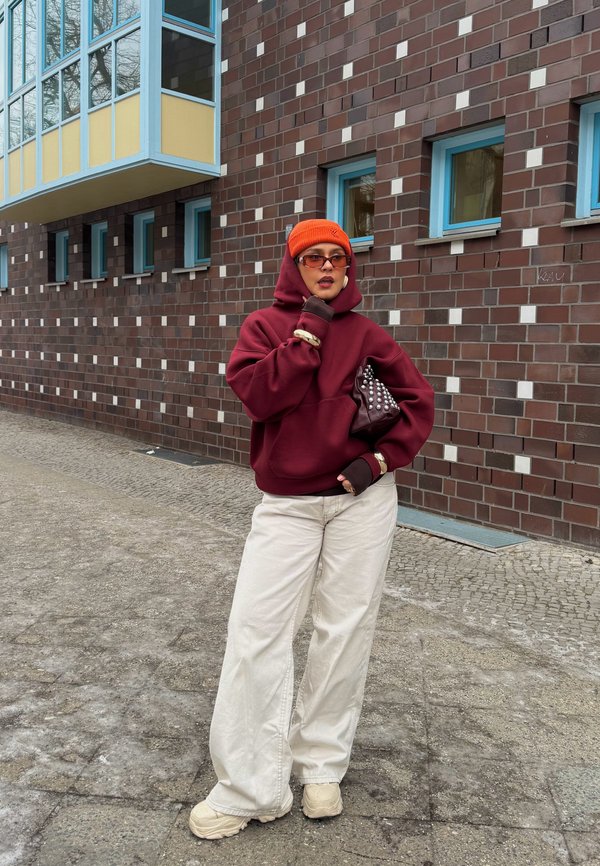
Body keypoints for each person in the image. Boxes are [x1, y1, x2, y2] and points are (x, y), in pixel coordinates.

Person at [189, 219, 434, 840]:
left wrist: (376, 462)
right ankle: (248, 786)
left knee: (345, 629)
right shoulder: (264, 329)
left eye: (338, 259)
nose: (327, 268)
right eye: (313, 258)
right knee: (255, 632)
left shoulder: (370, 335)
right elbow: (259, 397)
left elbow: (417, 404)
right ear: (292, 266)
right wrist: (309, 334)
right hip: (287, 504)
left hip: (361, 503)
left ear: (349, 268)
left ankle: (320, 761)